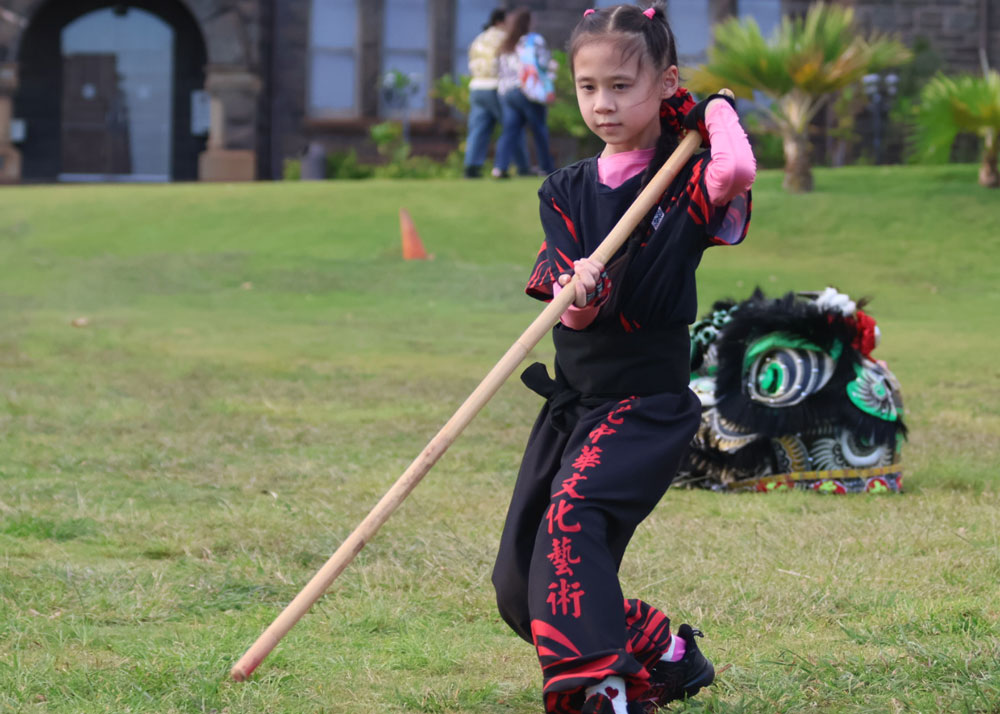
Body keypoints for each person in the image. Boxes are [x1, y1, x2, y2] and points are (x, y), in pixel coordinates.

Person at [491, 4, 756, 714]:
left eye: (621, 86)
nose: (603, 104)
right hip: (576, 404)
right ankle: (666, 654)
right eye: (587, 88)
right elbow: (571, 308)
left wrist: (715, 111)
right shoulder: (566, 190)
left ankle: (603, 693)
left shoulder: (684, 182)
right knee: (522, 584)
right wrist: (579, 292)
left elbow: (736, 169)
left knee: (573, 516)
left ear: (663, 81)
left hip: (645, 406)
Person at [464, 9, 531, 178]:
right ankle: (521, 166)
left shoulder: (479, 38)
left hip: (477, 87)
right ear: (501, 22)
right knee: (512, 127)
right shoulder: (504, 38)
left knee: (478, 129)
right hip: (496, 87)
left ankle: (472, 167)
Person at [494, 7, 557, 178]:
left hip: (507, 92)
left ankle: (500, 167)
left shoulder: (507, 44)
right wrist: (552, 69)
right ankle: (546, 167)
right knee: (539, 129)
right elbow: (542, 63)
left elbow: (498, 69)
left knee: (510, 131)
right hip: (528, 91)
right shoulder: (533, 40)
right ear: (528, 23)